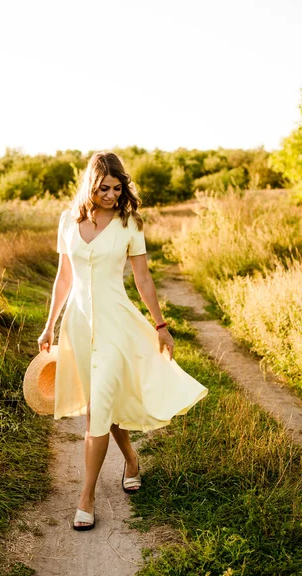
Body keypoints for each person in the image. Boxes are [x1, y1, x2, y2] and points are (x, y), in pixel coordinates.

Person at [37, 151, 208, 531]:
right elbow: (64, 280)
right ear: (90, 185)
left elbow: (143, 279)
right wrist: (49, 326)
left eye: (117, 188)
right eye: (104, 188)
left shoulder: (130, 222)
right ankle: (131, 460)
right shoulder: (68, 221)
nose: (112, 195)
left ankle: (87, 496)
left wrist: (161, 325)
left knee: (99, 405)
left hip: (116, 324)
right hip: (78, 325)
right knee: (102, 404)